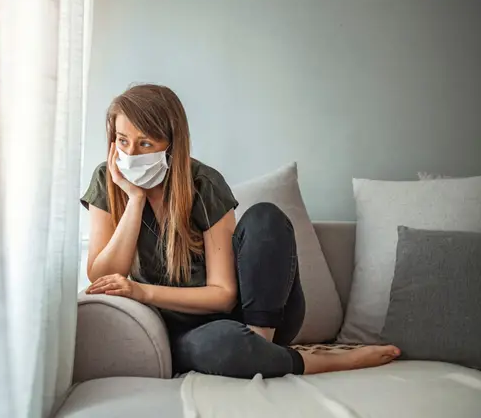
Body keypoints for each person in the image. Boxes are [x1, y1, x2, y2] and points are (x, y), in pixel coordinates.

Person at [81, 84, 400, 378]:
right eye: (123, 141)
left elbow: (223, 296)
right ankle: (293, 359)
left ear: (172, 144)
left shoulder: (204, 184)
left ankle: (262, 348)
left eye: (145, 143)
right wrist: (135, 201)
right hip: (193, 335)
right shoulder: (107, 180)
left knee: (266, 217)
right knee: (222, 345)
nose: (131, 155)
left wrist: (142, 291)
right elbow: (102, 276)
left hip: (257, 315)